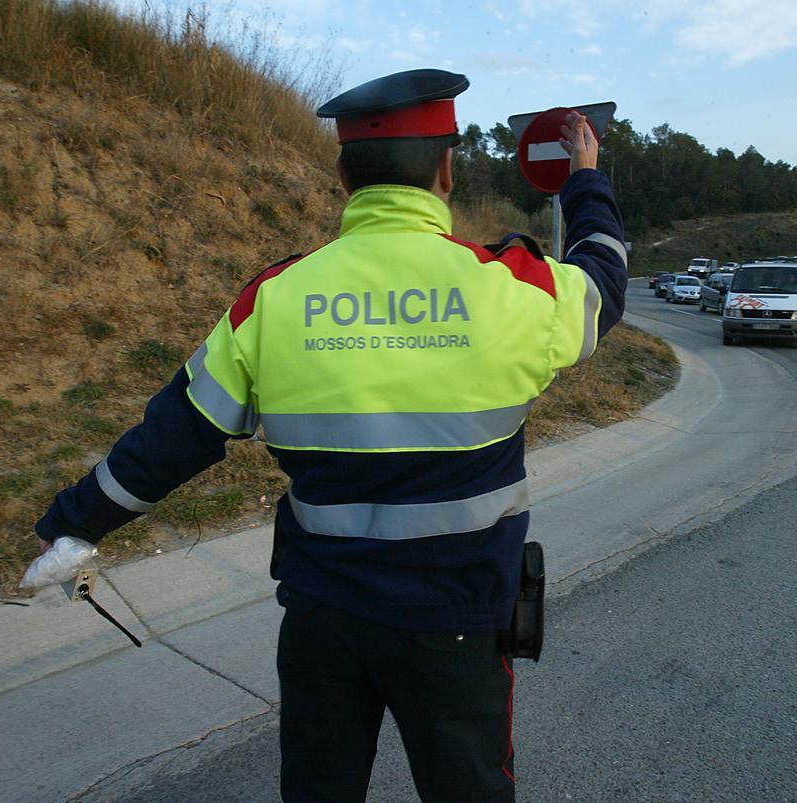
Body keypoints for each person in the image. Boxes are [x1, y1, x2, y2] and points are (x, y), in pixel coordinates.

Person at [34, 68, 628, 801]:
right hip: (456, 621)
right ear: (447, 168)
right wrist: (585, 179)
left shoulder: (276, 298)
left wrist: (76, 526)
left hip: (324, 623)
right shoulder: (511, 286)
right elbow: (602, 282)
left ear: (345, 172)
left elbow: (175, 435)